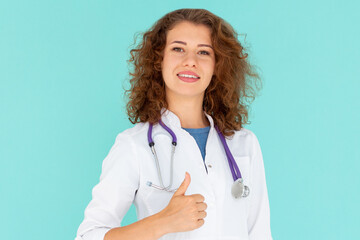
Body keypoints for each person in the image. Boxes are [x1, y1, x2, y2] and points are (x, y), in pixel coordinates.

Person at [75, 8, 272, 240]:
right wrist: (163, 222)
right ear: (159, 60)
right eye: (178, 49)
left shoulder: (244, 145)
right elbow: (88, 236)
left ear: (217, 66)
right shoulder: (134, 145)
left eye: (204, 52)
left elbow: (260, 234)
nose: (190, 61)